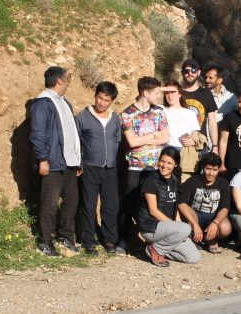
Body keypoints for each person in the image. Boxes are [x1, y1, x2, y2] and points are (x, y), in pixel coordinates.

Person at [29, 66, 82, 257]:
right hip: (52, 164)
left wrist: (77, 160)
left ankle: (65, 236)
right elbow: (38, 134)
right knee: (49, 204)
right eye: (67, 79)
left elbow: (71, 134)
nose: (68, 82)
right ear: (60, 80)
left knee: (70, 202)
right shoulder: (43, 103)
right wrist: (43, 159)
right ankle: (45, 241)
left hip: (69, 163)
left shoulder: (65, 104)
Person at [118, 77, 170, 255]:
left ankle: (155, 242)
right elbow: (132, 142)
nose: (158, 96)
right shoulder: (127, 114)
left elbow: (166, 138)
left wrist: (145, 139)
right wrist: (153, 134)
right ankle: (123, 240)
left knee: (155, 205)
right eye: (156, 93)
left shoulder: (159, 111)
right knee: (130, 204)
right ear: (145, 93)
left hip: (155, 168)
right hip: (135, 167)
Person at [75, 81, 121, 255]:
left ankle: (109, 240)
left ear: (111, 101)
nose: (101, 103)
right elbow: (76, 142)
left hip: (110, 168)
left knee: (110, 205)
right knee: (89, 204)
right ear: (95, 96)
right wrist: (79, 163)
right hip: (90, 167)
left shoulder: (115, 118)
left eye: (106, 100)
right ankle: (88, 240)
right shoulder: (82, 117)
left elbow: (117, 140)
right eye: (100, 98)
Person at [137, 147, 201, 266]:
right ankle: (156, 250)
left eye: (169, 163)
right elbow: (153, 211)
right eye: (162, 161)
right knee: (185, 228)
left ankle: (157, 250)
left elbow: (175, 210)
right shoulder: (151, 180)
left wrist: (179, 231)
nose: (165, 165)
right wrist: (179, 228)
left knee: (194, 257)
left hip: (170, 230)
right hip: (151, 227)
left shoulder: (175, 180)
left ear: (175, 165)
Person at [177, 152, 232, 253]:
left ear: (219, 169)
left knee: (225, 227)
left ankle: (211, 239)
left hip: (213, 216)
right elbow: (181, 203)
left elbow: (225, 207)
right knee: (186, 212)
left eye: (214, 170)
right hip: (196, 216)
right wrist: (194, 224)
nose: (211, 173)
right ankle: (192, 238)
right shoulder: (192, 181)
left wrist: (215, 223)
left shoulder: (223, 183)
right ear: (202, 167)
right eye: (208, 169)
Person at [161, 80, 207, 182]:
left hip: (186, 152)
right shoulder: (161, 109)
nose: (169, 95)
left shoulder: (190, 113)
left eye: (173, 92)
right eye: (167, 93)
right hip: (167, 150)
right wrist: (163, 89)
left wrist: (193, 141)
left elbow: (195, 134)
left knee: (184, 185)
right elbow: (146, 96)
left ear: (180, 93)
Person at [179, 59, 219, 153]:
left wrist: (215, 146)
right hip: (179, 144)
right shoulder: (177, 93)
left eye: (193, 70)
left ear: (198, 72)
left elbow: (212, 122)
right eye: (186, 71)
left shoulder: (206, 94)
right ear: (182, 73)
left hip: (200, 145)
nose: (190, 73)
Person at [204, 65, 238, 145]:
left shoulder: (231, 97)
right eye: (206, 77)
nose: (207, 80)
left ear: (219, 80)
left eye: (210, 78)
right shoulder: (202, 96)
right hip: (206, 141)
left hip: (226, 143)